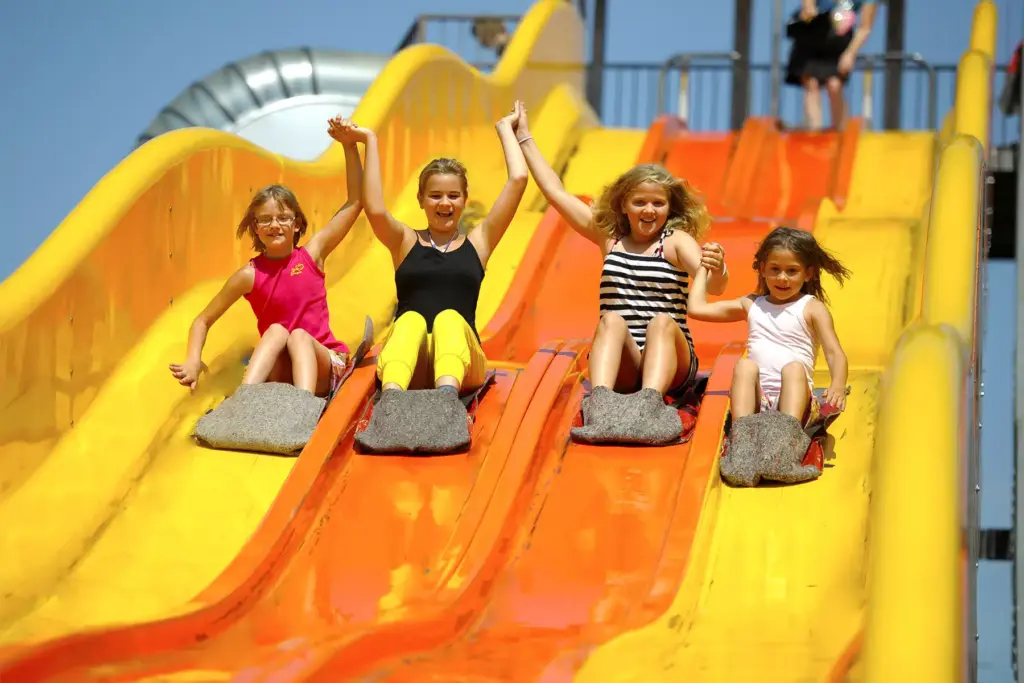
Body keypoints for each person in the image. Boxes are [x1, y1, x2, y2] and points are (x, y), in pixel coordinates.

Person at [512, 103, 728, 438]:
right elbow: (555, 193)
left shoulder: (675, 241)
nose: (649, 209)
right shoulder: (610, 237)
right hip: (627, 362)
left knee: (662, 322)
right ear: (624, 205)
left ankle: (650, 406)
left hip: (672, 360)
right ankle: (600, 404)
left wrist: (718, 268)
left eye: (658, 203)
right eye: (640, 201)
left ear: (669, 208)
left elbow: (713, 288)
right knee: (610, 321)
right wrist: (524, 136)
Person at [169, 116, 363, 399]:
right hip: (281, 374)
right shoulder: (250, 275)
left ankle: (302, 406)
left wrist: (349, 146)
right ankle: (246, 401)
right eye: (266, 220)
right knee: (275, 331)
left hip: (325, 367)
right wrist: (192, 359)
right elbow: (202, 320)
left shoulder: (311, 255)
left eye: (283, 218)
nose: (275, 225)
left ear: (297, 224)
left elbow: (355, 202)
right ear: (256, 229)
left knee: (297, 336)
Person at [341, 102, 527, 396]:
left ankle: (445, 403)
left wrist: (507, 129)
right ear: (421, 200)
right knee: (410, 320)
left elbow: (518, 180)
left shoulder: (479, 243)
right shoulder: (404, 241)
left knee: (449, 319)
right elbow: (374, 208)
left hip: (464, 367)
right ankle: (392, 401)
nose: (445, 203)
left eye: (454, 195)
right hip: (410, 364)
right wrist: (368, 141)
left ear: (465, 201)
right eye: (435, 195)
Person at [687, 226, 850, 431]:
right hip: (758, 403)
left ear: (808, 274)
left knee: (794, 368)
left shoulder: (811, 308)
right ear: (763, 269)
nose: (782, 278)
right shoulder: (752, 305)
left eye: (792, 271)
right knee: (744, 366)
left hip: (795, 402)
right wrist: (705, 267)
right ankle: (743, 434)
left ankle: (786, 436)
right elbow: (696, 309)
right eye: (775, 269)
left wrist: (838, 385)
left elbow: (834, 352)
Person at [785, 0, 878, 131]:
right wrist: (808, 9)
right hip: (813, 34)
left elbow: (865, 27)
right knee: (811, 83)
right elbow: (808, 8)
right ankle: (814, 131)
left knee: (835, 84)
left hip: (838, 42)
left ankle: (841, 132)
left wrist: (850, 54)